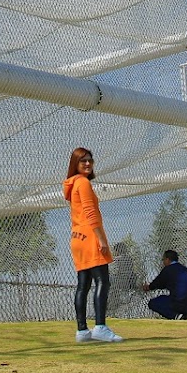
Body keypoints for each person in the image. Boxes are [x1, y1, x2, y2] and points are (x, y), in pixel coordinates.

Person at [64, 147, 122, 343]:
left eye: (90, 160)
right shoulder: (82, 183)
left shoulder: (72, 184)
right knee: (102, 281)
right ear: (76, 164)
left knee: (83, 285)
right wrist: (101, 240)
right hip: (89, 237)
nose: (88, 163)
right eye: (83, 161)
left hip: (77, 238)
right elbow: (90, 212)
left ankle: (82, 331)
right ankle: (100, 327)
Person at [143, 250, 187, 319]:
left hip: (180, 304)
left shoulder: (168, 270)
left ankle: (176, 316)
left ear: (167, 259)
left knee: (153, 303)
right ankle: (185, 315)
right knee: (170, 298)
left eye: (163, 260)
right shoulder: (185, 269)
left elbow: (158, 283)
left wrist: (148, 287)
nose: (163, 262)